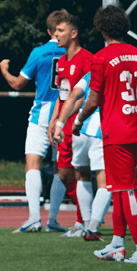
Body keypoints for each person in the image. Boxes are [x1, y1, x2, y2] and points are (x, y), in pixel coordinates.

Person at [72, 5, 137, 264]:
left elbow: (93, 99)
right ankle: (117, 244)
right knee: (118, 188)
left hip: (117, 132)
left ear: (100, 28)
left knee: (127, 190)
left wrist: (79, 120)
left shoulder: (100, 58)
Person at [0, 10, 68, 233]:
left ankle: (34, 218)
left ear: (48, 30)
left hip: (42, 114)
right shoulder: (74, 52)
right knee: (61, 167)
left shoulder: (39, 53)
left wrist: (4, 70)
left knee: (33, 162)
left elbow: (18, 84)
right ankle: (53, 220)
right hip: (66, 113)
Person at [46, 15, 94, 237]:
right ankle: (88, 216)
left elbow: (83, 98)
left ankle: (83, 222)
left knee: (79, 171)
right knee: (65, 175)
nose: (55, 34)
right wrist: (53, 121)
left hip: (79, 124)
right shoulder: (62, 61)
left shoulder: (88, 60)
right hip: (63, 124)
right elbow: (62, 95)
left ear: (73, 33)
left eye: (60, 30)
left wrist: (67, 120)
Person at [51, 72, 110, 241]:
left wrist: (60, 123)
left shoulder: (91, 74)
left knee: (82, 175)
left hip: (80, 130)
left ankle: (85, 225)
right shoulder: (120, 72)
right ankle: (92, 227)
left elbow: (72, 97)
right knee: (105, 182)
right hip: (101, 130)